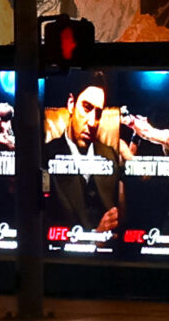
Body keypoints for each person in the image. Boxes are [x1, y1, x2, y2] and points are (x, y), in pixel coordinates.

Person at [49, 78, 123, 234]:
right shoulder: (46, 156)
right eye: (86, 108)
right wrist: (95, 238)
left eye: (98, 114)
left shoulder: (111, 156)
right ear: (71, 104)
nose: (92, 122)